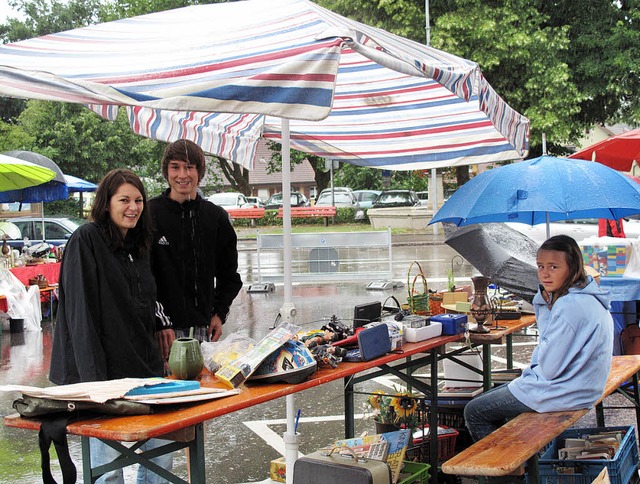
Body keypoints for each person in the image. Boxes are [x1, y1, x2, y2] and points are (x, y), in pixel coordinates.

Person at [50, 168, 175, 483]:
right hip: (100, 377)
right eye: (124, 200)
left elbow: (148, 297)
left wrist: (161, 323)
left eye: (138, 200)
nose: (133, 207)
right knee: (107, 470)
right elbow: (80, 316)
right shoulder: (86, 240)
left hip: (143, 371)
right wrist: (94, 387)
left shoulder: (138, 245)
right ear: (106, 203)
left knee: (162, 454)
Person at [464, 235, 614, 444]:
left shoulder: (569, 306)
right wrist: (543, 304)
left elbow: (549, 368)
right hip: (583, 386)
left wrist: (545, 312)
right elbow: (551, 342)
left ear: (572, 268)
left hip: (564, 392)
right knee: (489, 397)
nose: (545, 274)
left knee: (474, 410)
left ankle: (509, 474)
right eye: (541, 266)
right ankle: (520, 461)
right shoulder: (587, 295)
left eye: (554, 267)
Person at [149, 139, 242, 344]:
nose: (182, 175)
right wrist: (159, 322)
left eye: (189, 167)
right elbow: (141, 277)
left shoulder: (215, 218)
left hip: (200, 330)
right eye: (175, 167)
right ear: (166, 172)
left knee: (200, 377)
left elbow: (229, 276)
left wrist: (219, 312)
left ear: (199, 172)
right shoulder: (149, 215)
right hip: (158, 331)